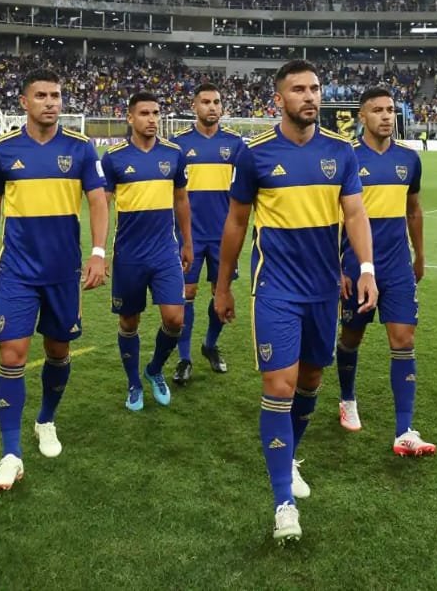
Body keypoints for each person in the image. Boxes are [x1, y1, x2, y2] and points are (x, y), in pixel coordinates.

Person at [215, 59, 378, 544]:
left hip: (325, 289)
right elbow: (237, 224)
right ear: (279, 99)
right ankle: (283, 500)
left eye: (315, 88)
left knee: (310, 380)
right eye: (299, 89)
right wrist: (223, 285)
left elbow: (355, 214)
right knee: (280, 386)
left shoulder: (341, 153)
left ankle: (289, 457)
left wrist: (366, 269)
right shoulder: (255, 154)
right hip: (276, 289)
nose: (310, 97)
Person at [0, 68, 108, 492]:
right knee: (12, 355)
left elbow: (98, 202)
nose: (51, 102)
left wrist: (99, 253)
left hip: (62, 272)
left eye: (56, 95)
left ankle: (45, 420)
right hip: (16, 271)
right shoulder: (1, 151)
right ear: (24, 102)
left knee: (57, 349)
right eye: (42, 95)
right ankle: (11, 454)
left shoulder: (82, 149)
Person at [337, 87, 436, 456]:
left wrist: (420, 254)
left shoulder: (408, 159)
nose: (386, 116)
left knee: (403, 339)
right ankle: (347, 398)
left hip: (396, 264)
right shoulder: (346, 157)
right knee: (351, 338)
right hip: (355, 266)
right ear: (362, 116)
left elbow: (414, 209)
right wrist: (338, 266)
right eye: (377, 110)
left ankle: (405, 430)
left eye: (390, 110)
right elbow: (334, 217)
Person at [101, 92, 193, 411]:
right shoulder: (113, 158)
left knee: (175, 318)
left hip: (165, 252)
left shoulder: (174, 154)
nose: (152, 118)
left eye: (156, 112)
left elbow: (181, 199)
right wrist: (100, 250)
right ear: (130, 118)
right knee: (129, 322)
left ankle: (154, 370)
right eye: (144, 113)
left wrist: (188, 242)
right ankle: (133, 383)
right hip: (128, 255)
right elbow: (103, 205)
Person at [170, 83, 245, 385]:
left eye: (216, 102)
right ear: (194, 106)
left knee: (220, 292)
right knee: (186, 294)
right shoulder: (178, 145)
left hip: (224, 235)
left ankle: (210, 345)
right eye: (205, 102)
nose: (212, 107)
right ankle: (185, 358)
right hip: (189, 235)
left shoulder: (236, 145)